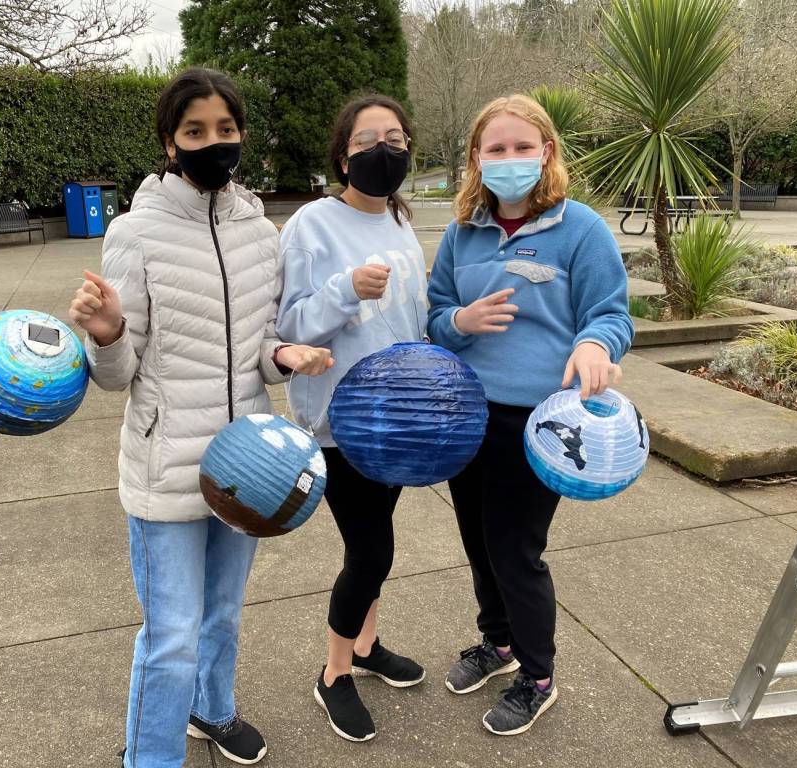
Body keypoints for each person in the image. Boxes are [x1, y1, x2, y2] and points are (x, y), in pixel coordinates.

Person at [68, 67, 332, 768]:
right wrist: (107, 331)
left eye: (225, 129)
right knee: (171, 633)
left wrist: (288, 355)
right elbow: (117, 376)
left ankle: (212, 710)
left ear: (242, 135)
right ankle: (151, 757)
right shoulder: (135, 232)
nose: (213, 143)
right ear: (169, 143)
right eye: (194, 131)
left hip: (249, 465)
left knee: (223, 613)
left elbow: (258, 353)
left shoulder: (260, 232)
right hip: (166, 465)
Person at [427, 94, 633, 736]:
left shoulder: (582, 230)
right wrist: (460, 321)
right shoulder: (461, 234)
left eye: (523, 147)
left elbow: (612, 312)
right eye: (497, 149)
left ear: (546, 153)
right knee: (477, 543)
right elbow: (433, 317)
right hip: (466, 415)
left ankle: (536, 676)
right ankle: (499, 643)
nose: (510, 159)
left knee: (515, 550)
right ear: (476, 159)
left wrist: (596, 343)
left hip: (541, 425)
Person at [276, 94, 429, 743]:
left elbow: (412, 320)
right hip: (341, 424)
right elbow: (287, 328)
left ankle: (366, 646)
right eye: (368, 140)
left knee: (376, 539)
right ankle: (335, 672)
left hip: (400, 418)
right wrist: (344, 291)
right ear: (343, 155)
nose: (383, 149)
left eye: (394, 138)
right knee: (372, 550)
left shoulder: (401, 222)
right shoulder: (311, 224)